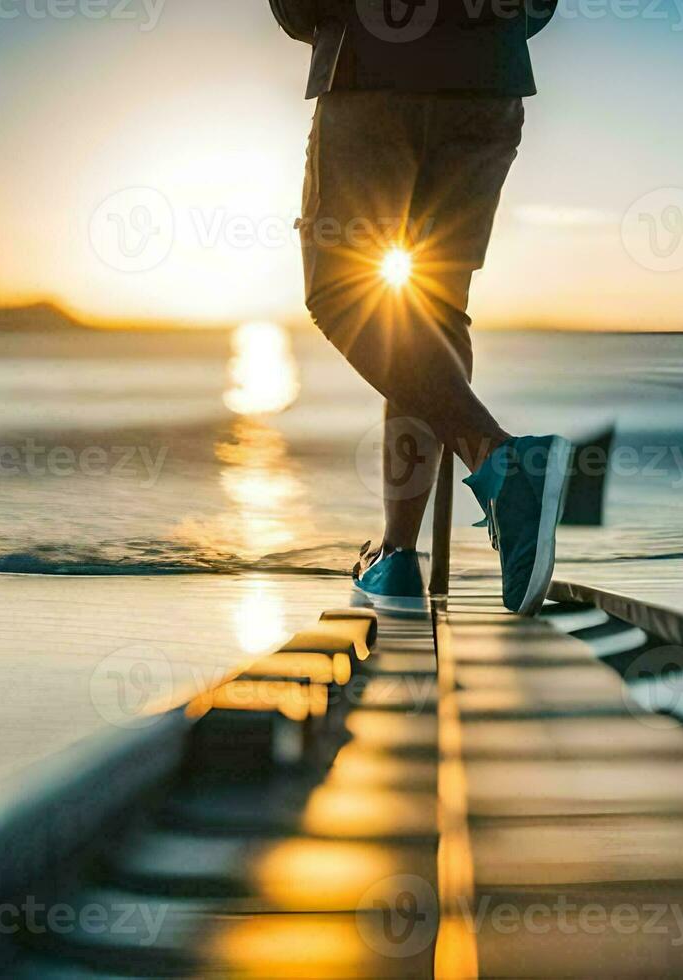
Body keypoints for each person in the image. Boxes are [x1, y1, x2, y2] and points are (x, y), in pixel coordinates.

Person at [272, 0, 570, 616]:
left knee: (342, 290)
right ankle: (398, 555)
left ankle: (498, 464)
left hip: (371, 74)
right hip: (488, 81)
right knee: (432, 311)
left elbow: (298, 8)